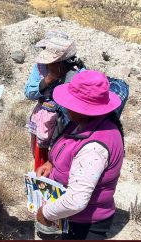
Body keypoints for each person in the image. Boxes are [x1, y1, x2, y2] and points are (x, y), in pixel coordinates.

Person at [35, 70, 125, 240]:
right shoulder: (84, 124)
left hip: (83, 224)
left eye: (72, 103)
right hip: (72, 216)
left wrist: (44, 213)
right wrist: (51, 164)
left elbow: (76, 200)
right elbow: (70, 149)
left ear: (85, 109)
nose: (67, 106)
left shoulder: (94, 148)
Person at [24, 30, 128, 170]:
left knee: (62, 159)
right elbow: (29, 92)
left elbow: (81, 109)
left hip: (65, 126)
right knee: (42, 161)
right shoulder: (40, 68)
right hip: (43, 123)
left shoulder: (78, 74)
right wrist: (49, 79)